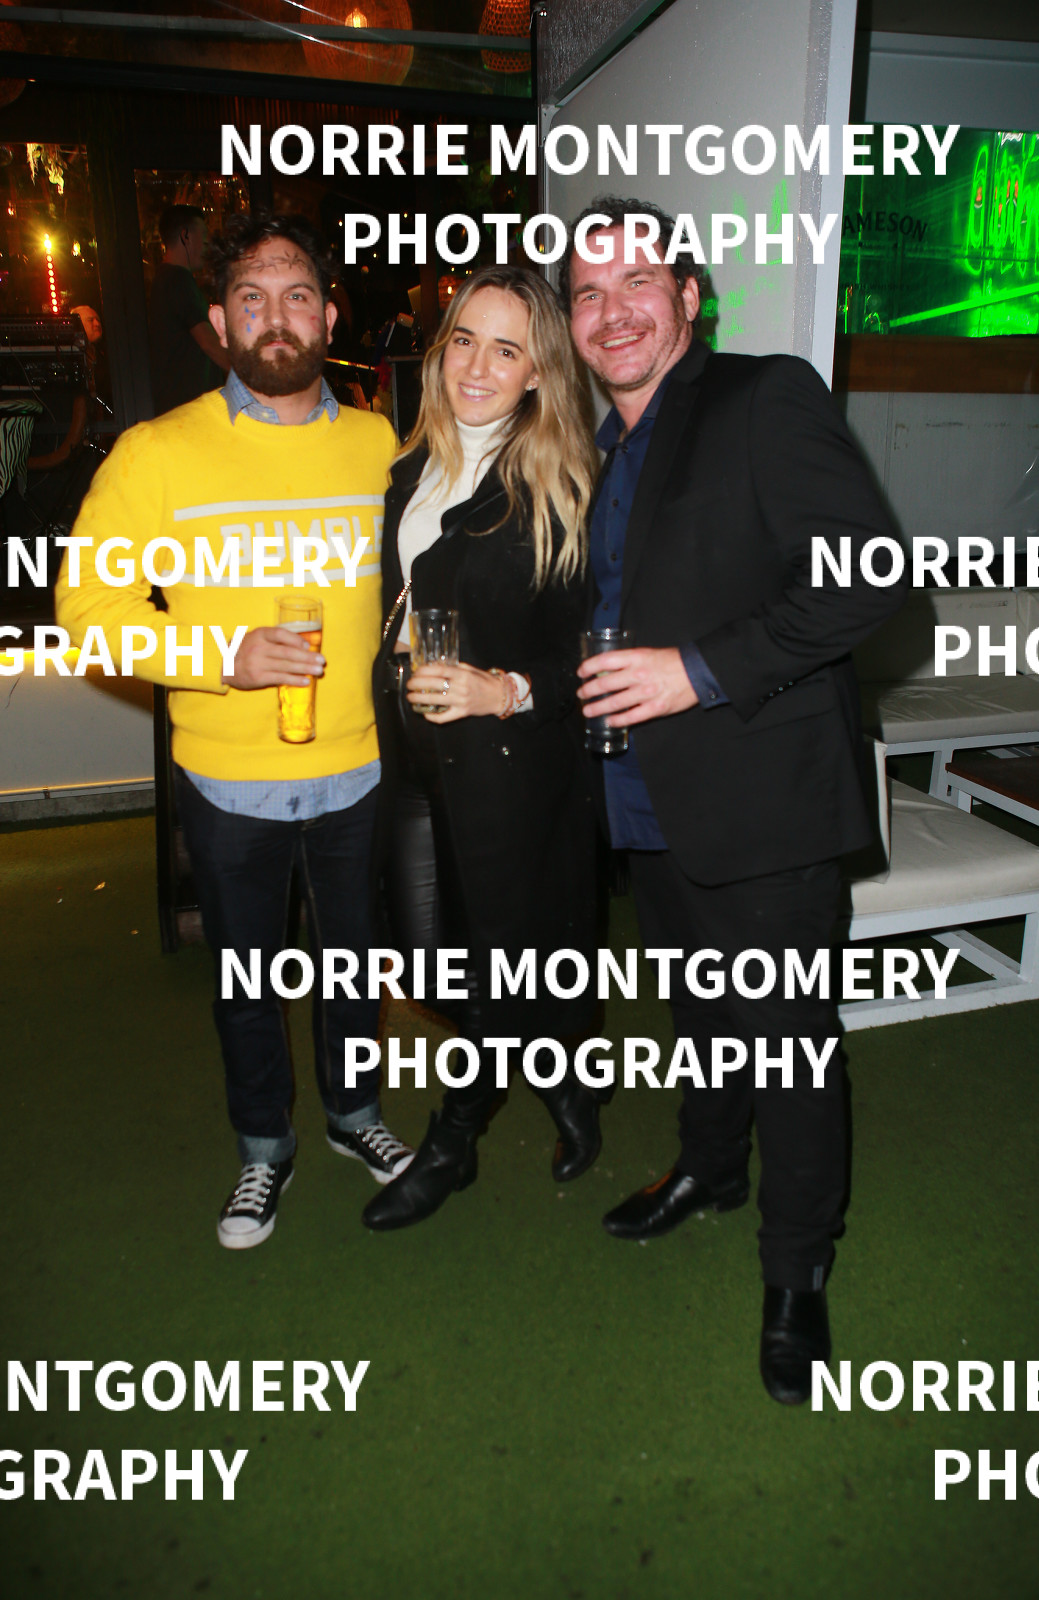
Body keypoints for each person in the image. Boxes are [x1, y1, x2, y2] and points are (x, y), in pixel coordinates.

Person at [562, 197, 907, 1404]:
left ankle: (797, 1269)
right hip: (643, 795)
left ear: (688, 296)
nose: (612, 310)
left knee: (787, 1047)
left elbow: (870, 574)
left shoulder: (763, 396)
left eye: (636, 281)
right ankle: (708, 1168)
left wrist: (695, 671)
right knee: (699, 1012)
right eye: (587, 292)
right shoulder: (594, 448)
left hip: (763, 798)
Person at [57, 213, 412, 1250]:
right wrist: (223, 654)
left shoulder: (380, 444)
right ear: (218, 322)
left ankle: (353, 1113)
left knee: (355, 970)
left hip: (361, 769)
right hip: (226, 782)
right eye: (250, 298)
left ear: (330, 316)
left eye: (298, 294)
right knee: (248, 982)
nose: (276, 316)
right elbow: (86, 609)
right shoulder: (155, 451)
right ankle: (264, 1146)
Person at [362, 264, 602, 1233]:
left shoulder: (558, 485)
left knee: (500, 958)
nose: (476, 365)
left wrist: (506, 690)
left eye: (507, 350)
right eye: (464, 339)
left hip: (508, 764)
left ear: (539, 372)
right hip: (413, 754)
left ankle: (453, 1140)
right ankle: (559, 1066)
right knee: (429, 966)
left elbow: (594, 649)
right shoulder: (408, 471)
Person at [148, 203, 231, 416]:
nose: (206, 245)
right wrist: (248, 377)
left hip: (177, 411)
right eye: (203, 236)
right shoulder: (177, 280)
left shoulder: (163, 280)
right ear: (185, 236)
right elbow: (209, 343)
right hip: (192, 411)